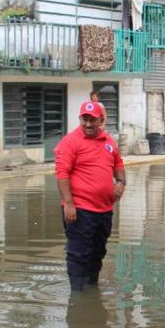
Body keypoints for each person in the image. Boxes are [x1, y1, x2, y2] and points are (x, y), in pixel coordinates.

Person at [54, 101, 126, 291]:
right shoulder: (70, 142)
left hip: (104, 210)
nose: (87, 124)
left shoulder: (108, 141)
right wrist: (68, 204)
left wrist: (120, 183)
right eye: (84, 119)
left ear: (101, 120)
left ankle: (91, 287)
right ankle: (77, 296)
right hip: (80, 210)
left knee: (98, 252)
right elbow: (62, 174)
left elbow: (118, 164)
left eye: (92, 120)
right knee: (78, 253)